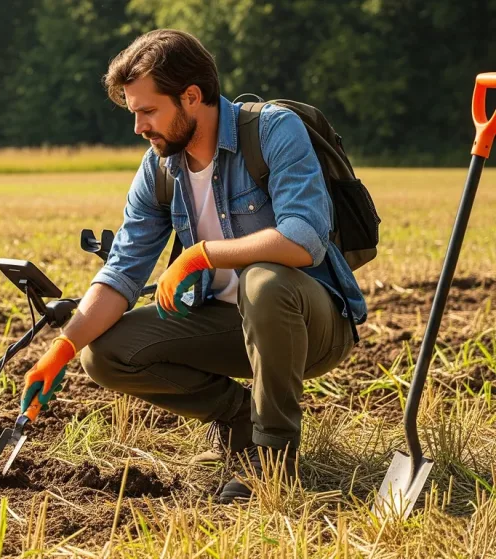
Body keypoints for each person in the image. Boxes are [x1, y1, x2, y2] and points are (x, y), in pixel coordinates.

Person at [18, 29, 366, 503]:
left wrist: (203, 254)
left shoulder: (273, 131)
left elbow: (304, 239)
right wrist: (61, 348)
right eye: (133, 112)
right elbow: (122, 272)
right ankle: (239, 419)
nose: (138, 126)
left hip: (309, 324)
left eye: (147, 111)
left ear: (192, 96)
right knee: (102, 353)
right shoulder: (159, 168)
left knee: (263, 281)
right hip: (229, 326)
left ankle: (274, 461)